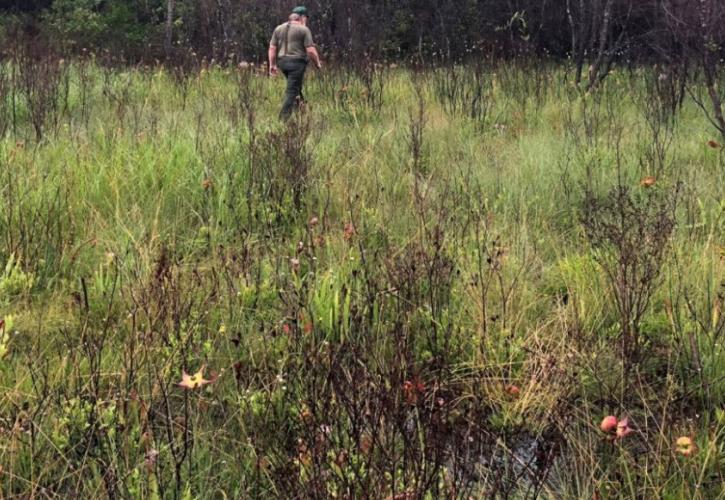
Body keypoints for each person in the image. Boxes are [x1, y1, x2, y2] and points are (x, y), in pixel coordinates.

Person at [268, 6, 322, 120]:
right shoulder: (304, 29)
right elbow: (311, 50)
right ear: (301, 17)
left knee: (295, 87)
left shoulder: (278, 28)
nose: (306, 21)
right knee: (292, 91)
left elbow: (272, 48)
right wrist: (317, 63)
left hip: (282, 62)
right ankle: (282, 119)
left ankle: (302, 113)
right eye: (306, 18)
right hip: (296, 64)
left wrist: (272, 65)